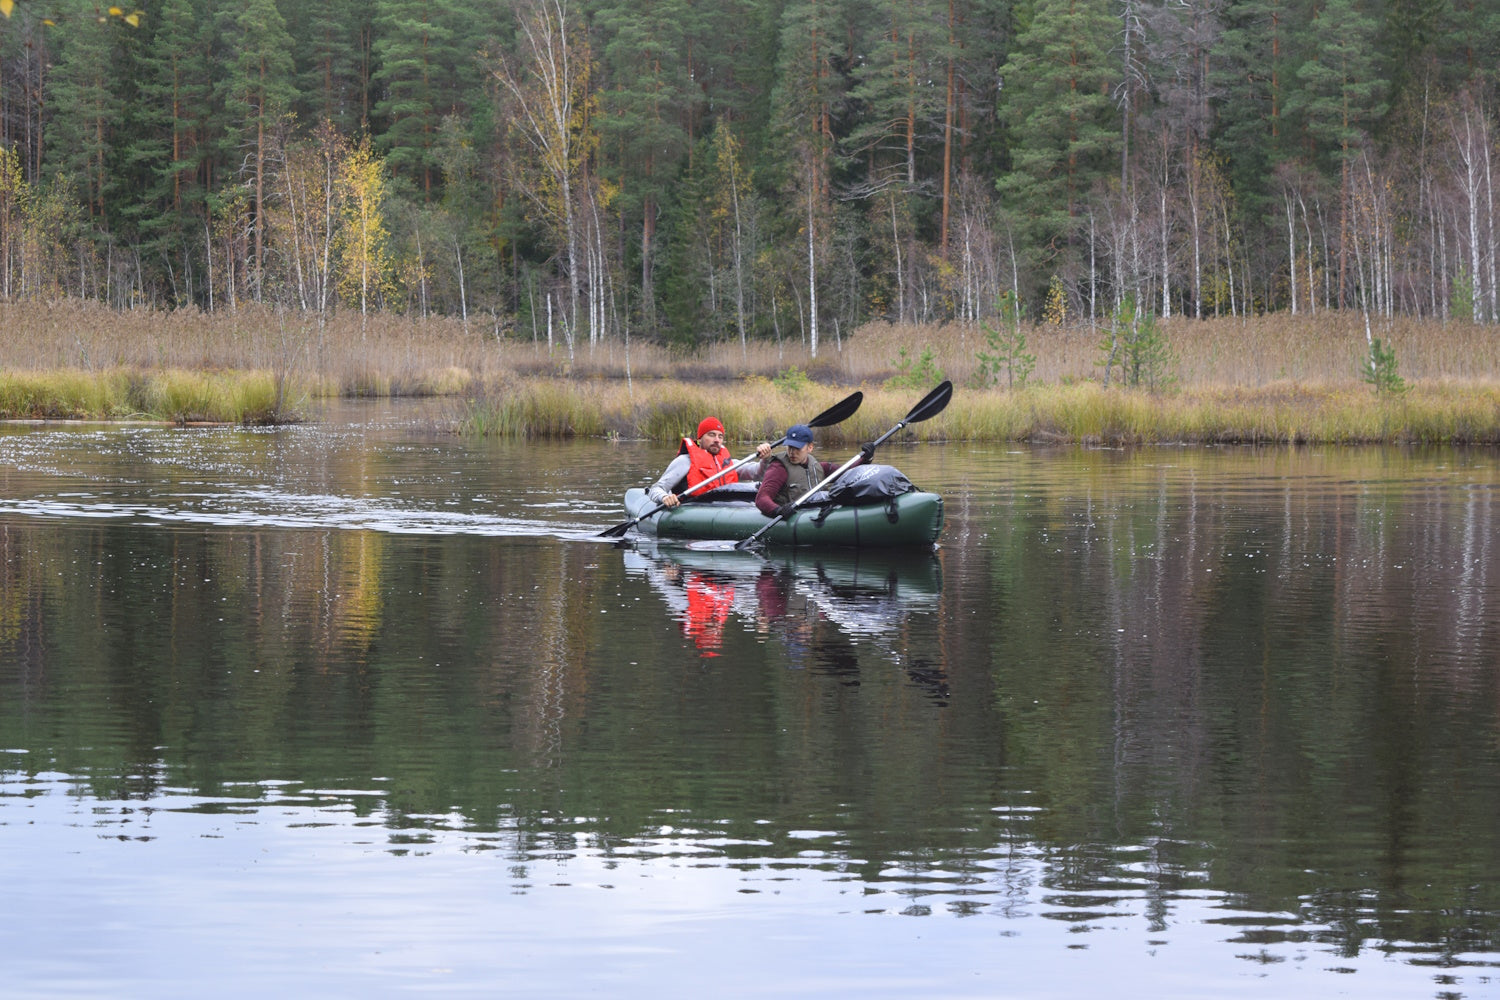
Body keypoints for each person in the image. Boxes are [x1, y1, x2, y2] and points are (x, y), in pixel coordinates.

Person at [648, 417, 772, 508]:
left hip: (725, 509)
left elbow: (758, 474)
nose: (717, 440)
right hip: (693, 510)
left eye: (720, 436)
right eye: (711, 435)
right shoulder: (685, 462)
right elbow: (657, 488)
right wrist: (665, 497)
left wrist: (765, 459)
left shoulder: (729, 464)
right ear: (700, 438)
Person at [754, 423, 874, 517]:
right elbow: (762, 498)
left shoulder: (819, 467)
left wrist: (866, 458)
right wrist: (778, 511)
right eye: (790, 447)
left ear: (810, 447)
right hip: (791, 515)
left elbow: (847, 471)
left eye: (797, 448)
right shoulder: (778, 468)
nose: (792, 452)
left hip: (815, 511)